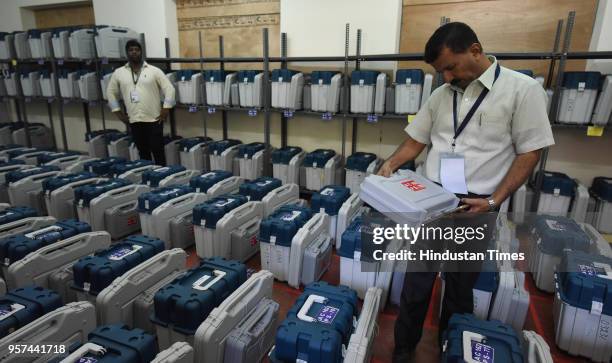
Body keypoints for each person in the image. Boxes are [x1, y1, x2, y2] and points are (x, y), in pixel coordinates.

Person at [380, 22, 555, 362]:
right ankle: (403, 349)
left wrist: (494, 201)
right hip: (431, 201)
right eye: (440, 70)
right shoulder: (441, 95)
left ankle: (452, 347)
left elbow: (530, 152)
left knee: (459, 290)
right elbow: (417, 140)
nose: (446, 77)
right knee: (416, 283)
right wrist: (391, 164)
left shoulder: (522, 90)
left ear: (475, 50)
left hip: (476, 207)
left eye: (450, 66)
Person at [106, 39, 175, 165]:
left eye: (137, 50)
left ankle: (161, 176)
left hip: (154, 119)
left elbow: (169, 89)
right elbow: (110, 92)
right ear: (127, 53)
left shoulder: (153, 70)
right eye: (131, 50)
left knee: (158, 150)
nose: (134, 52)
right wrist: (118, 112)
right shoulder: (119, 73)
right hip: (134, 120)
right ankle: (148, 176)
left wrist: (166, 108)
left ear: (141, 52)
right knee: (143, 153)